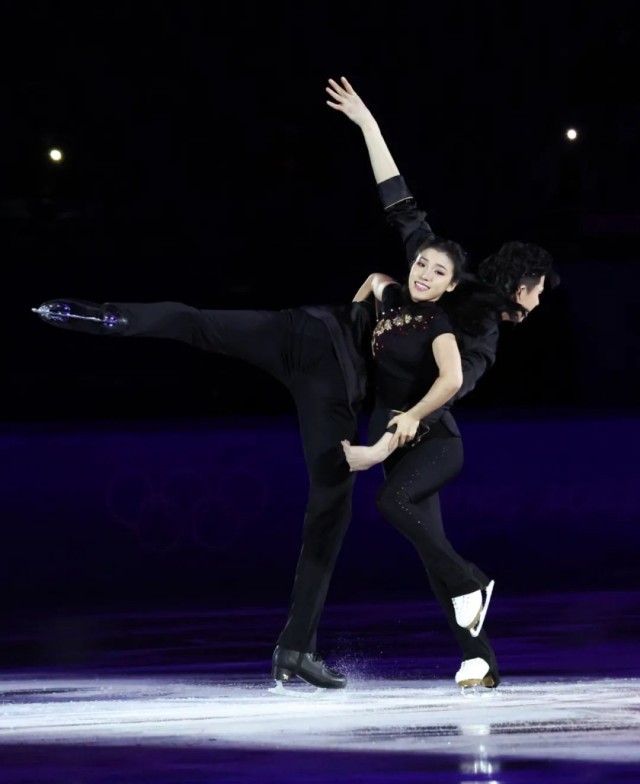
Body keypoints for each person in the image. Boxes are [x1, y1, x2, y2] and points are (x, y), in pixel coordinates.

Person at [327, 75, 558, 688]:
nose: (539, 303)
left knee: (400, 510)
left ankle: (472, 584)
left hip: (429, 437)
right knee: (431, 546)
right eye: (537, 292)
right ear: (520, 288)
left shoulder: (470, 319)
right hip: (409, 427)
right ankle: (480, 659)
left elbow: (447, 389)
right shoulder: (445, 279)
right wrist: (368, 124)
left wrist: (390, 436)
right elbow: (399, 201)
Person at [32, 295, 375, 690]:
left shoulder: (425, 323)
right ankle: (113, 317)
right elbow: (377, 282)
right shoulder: (397, 291)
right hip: (305, 336)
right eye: (421, 266)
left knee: (330, 512)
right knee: (199, 324)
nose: (424, 273)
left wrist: (379, 448)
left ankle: (296, 649)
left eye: (431, 270)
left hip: (331, 372)